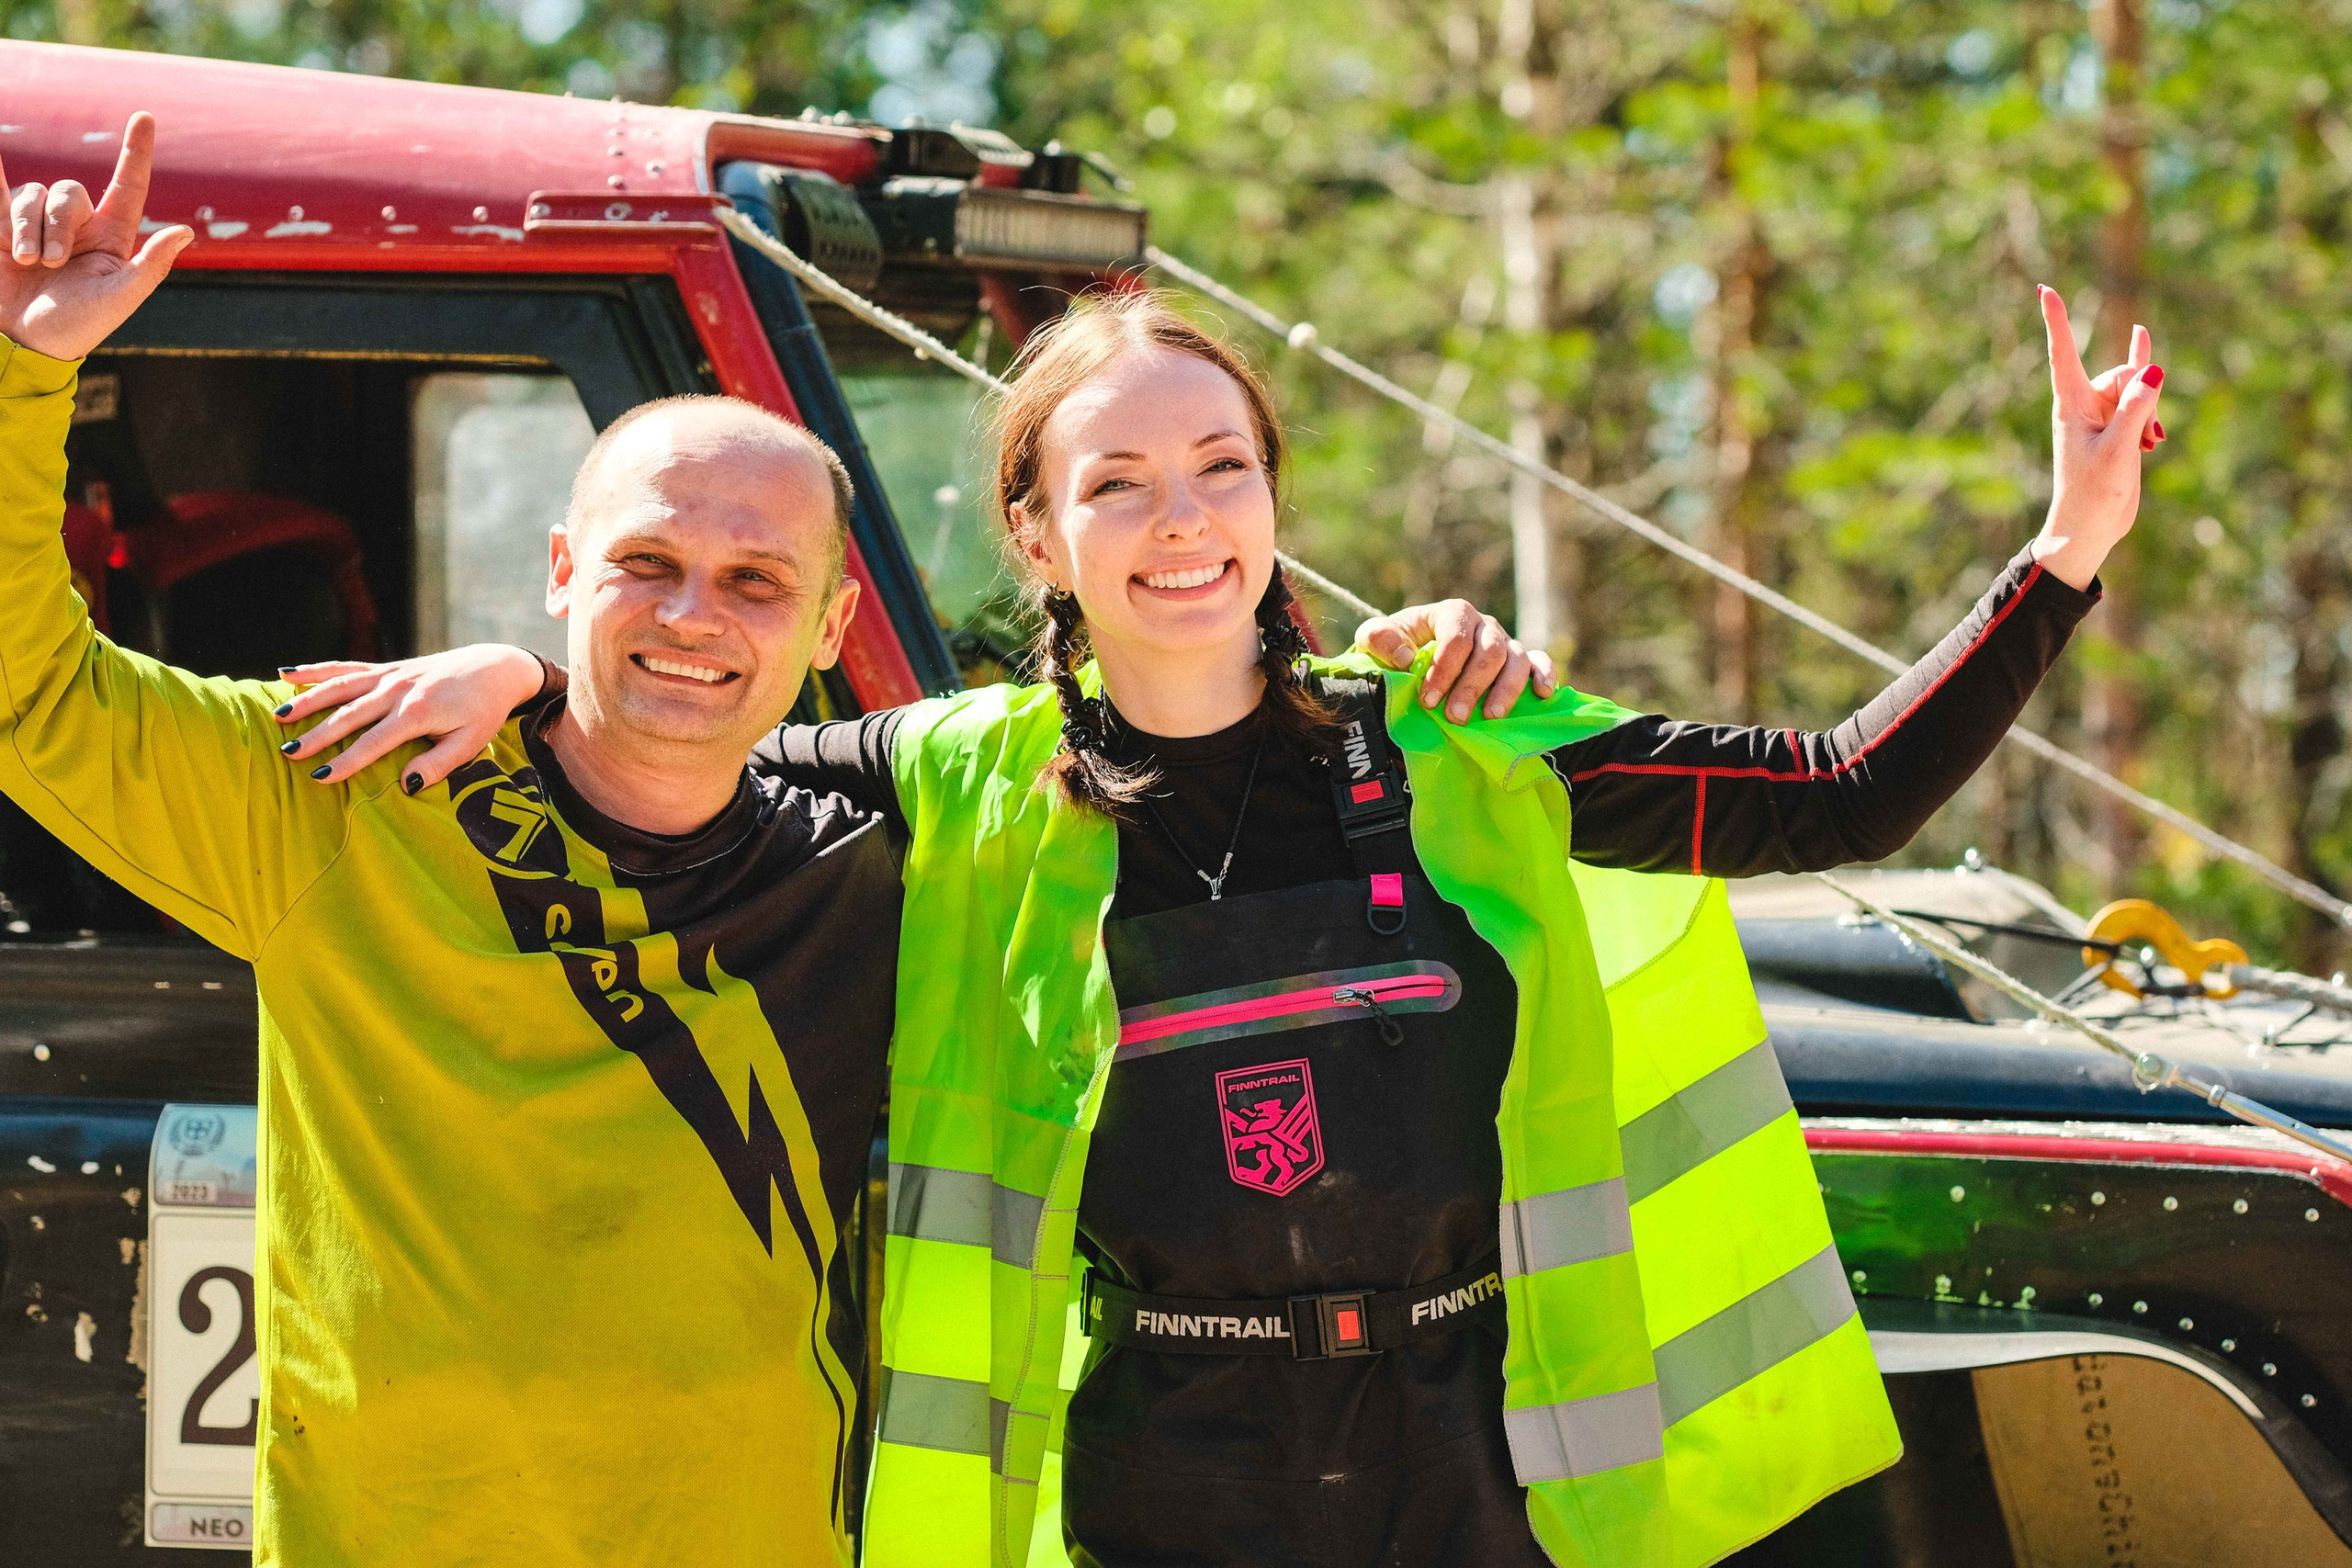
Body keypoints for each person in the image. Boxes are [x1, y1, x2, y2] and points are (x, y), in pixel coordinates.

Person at [292, 280, 2162, 1563]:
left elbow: (1833, 791)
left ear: (1272, 498)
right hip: (1167, 1472)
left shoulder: (1454, 740)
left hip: (1470, 1460)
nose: (1178, 519)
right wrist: (526, 677)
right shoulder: (957, 776)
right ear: (1039, 535)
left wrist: (2061, 553)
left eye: (1220, 468)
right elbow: (684, 736)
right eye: (1114, 482)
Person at [3, 114, 889, 1567]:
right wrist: (22, 370)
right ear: (561, 571)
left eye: (755, 581)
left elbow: (1157, 749)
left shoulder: (873, 874)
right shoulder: (347, 790)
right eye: (647, 563)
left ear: (835, 625)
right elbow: (28, 692)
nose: (693, 615)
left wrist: (528, 675)